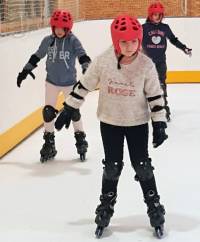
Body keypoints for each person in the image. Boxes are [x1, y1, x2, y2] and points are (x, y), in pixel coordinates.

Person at [55, 15, 168, 238]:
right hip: (110, 123)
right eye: (124, 42)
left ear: (139, 39)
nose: (130, 46)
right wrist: (68, 108)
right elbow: (84, 84)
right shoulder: (103, 61)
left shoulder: (146, 65)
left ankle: (154, 206)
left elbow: (155, 96)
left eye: (134, 41)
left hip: (137, 123)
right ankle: (105, 208)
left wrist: (160, 124)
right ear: (116, 41)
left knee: (142, 165)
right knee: (112, 167)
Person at [17, 9, 91, 162]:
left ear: (68, 28)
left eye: (62, 28)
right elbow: (37, 56)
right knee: (48, 112)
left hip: (69, 84)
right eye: (56, 27)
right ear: (52, 27)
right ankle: (49, 143)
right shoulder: (48, 40)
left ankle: (80, 139)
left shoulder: (72, 41)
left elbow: (82, 55)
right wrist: (25, 70)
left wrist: (86, 67)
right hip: (51, 83)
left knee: (74, 112)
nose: (58, 31)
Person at [142, 1, 192, 121]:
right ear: (150, 15)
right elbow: (134, 40)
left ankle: (164, 110)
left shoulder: (165, 28)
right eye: (155, 14)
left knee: (161, 87)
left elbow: (173, 40)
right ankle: (149, 109)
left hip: (160, 63)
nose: (157, 17)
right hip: (146, 64)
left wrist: (184, 48)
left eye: (159, 15)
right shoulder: (143, 28)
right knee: (146, 88)